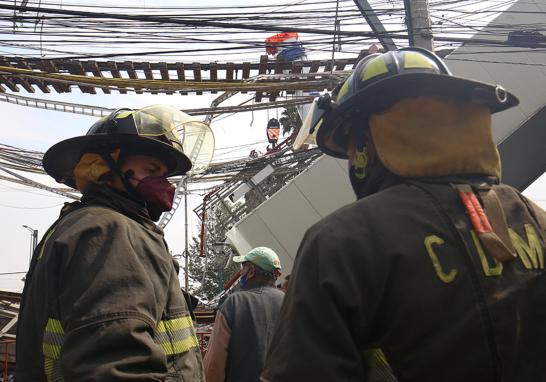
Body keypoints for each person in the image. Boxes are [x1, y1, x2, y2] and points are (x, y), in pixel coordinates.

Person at [262, 47, 546, 381]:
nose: (351, 158)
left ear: (368, 139)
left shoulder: (339, 243)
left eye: (350, 143)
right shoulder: (531, 217)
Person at [16, 105, 204, 381]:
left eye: (164, 174)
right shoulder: (108, 231)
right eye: (151, 169)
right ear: (105, 167)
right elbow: (118, 369)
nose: (164, 183)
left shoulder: (95, 225)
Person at [204, 247, 284, 382]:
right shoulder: (289, 302)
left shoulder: (234, 303)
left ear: (251, 271)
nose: (241, 272)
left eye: (243, 267)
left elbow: (214, 365)